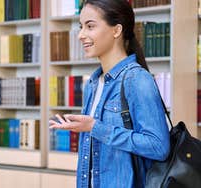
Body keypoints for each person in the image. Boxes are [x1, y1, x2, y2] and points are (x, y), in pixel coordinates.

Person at [49, 0, 170, 187]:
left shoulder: (137, 79)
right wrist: (86, 127)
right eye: (81, 27)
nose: (81, 35)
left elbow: (158, 146)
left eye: (90, 26)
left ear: (116, 30)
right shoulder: (93, 83)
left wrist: (95, 128)